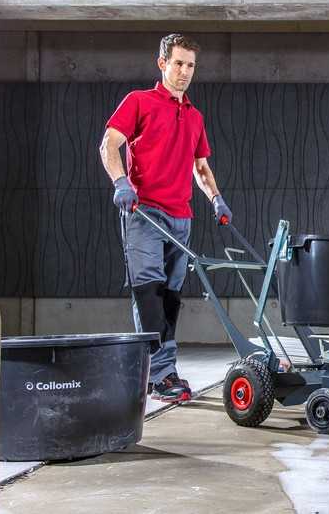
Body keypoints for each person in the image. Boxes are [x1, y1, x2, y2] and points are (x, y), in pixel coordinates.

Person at [99, 33, 231, 402]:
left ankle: (156, 371)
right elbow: (109, 143)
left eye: (190, 65)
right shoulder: (139, 102)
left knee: (170, 298)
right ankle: (162, 374)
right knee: (149, 292)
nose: (185, 71)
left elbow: (200, 167)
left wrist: (216, 199)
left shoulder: (194, 115)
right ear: (162, 63)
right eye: (178, 63)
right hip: (144, 213)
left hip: (181, 217)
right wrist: (121, 182)